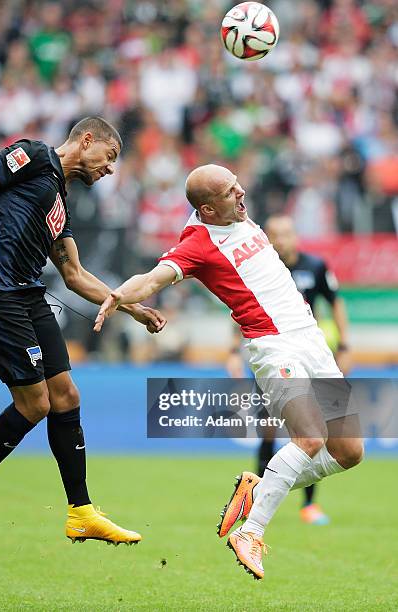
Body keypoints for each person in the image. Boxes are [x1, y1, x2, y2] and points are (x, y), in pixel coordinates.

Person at [94, 164, 363, 580]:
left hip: (311, 338)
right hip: (272, 346)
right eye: (231, 193)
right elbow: (153, 278)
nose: (242, 196)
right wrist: (119, 298)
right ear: (207, 208)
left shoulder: (237, 213)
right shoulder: (197, 243)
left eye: (239, 187)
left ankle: (256, 489)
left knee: (350, 452)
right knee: (308, 437)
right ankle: (251, 532)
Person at [0, 116, 166, 549]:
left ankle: (81, 513)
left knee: (67, 395)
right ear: (86, 140)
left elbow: (74, 274)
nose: (110, 169)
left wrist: (132, 310)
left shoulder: (59, 202)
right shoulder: (33, 156)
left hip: (28, 296)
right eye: (109, 157)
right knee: (36, 403)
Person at [227, 213, 351, 525]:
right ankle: (256, 497)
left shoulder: (315, 267)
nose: (281, 239)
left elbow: (335, 302)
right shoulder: (260, 270)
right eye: (275, 234)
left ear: (295, 236)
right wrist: (231, 351)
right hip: (276, 359)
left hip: (310, 357)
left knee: (316, 434)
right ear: (265, 238)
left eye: (286, 233)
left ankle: (308, 505)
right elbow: (240, 310)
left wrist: (345, 345)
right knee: (269, 432)